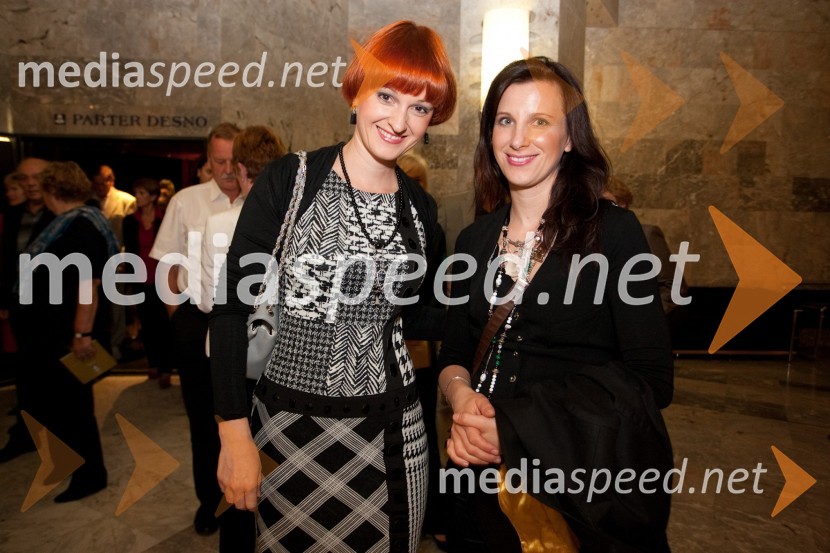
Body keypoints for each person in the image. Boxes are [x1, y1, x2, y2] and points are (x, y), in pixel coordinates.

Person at [210, 20, 456, 553]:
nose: (400, 120)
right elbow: (230, 307)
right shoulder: (291, 181)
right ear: (356, 90)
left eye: (420, 107)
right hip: (285, 430)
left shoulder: (420, 208)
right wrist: (233, 431)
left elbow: (416, 316)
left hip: (392, 434)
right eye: (387, 95)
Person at [437, 57, 674, 552]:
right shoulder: (474, 238)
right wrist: (462, 402)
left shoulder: (614, 233)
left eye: (539, 121)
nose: (518, 139)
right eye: (505, 121)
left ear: (569, 138)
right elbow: (454, 354)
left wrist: (516, 427)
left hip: (573, 491)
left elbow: (652, 379)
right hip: (477, 482)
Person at [149, 122, 246, 543]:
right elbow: (166, 265)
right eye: (218, 161)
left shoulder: (260, 201)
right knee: (204, 421)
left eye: (233, 162)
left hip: (245, 326)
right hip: (195, 320)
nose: (226, 170)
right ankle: (210, 503)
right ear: (207, 160)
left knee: (242, 417)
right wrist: (177, 315)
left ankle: (247, 498)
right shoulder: (186, 203)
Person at [17, 161, 119, 502]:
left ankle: (90, 475)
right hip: (57, 334)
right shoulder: (67, 223)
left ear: (51, 190)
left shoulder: (79, 227)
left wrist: (81, 334)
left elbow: (88, 285)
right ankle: (83, 470)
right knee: (64, 406)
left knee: (73, 410)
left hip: (71, 336)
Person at [398, 151, 450, 550]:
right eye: (405, 178)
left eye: (418, 180)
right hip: (379, 353)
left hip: (419, 351)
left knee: (424, 436)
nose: (412, 187)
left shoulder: (433, 229)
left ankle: (432, 514)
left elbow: (436, 296)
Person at [0, 157, 55, 463]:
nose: (31, 183)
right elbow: (7, 262)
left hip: (55, 309)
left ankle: (60, 434)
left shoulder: (62, 213)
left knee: (57, 375)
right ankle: (25, 433)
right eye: (25, 178)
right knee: (27, 372)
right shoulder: (12, 215)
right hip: (22, 307)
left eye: (37, 177)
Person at [123, 178, 174, 388]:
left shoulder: (165, 219)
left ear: (153, 197)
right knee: (147, 322)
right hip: (140, 278)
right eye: (137, 193)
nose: (138, 197)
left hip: (161, 277)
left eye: (143, 193)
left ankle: (166, 367)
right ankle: (152, 363)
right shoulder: (129, 221)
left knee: (164, 324)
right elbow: (129, 251)